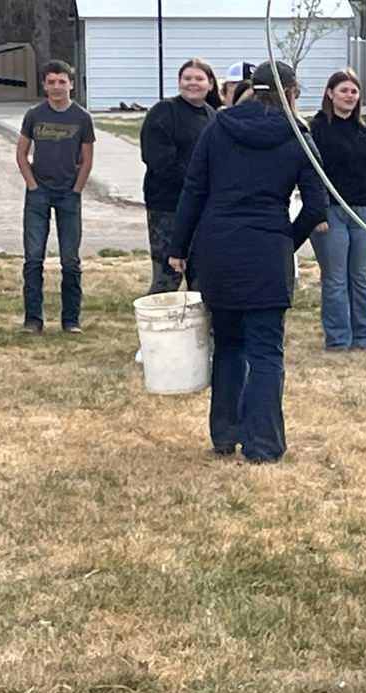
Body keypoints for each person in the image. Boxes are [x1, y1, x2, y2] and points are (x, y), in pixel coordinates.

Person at [168, 61, 329, 462]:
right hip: (266, 251)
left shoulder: (218, 127)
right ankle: (264, 444)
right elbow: (317, 205)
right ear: (292, 91)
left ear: (248, 89)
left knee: (227, 344)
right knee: (266, 350)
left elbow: (194, 189)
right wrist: (284, 241)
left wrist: (178, 247)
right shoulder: (298, 136)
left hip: (216, 248)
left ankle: (225, 433)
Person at [308, 68, 366, 350]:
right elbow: (309, 174)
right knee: (334, 279)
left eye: (354, 91)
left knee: (359, 277)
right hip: (330, 213)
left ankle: (365, 337)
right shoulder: (315, 129)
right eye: (343, 90)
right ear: (330, 93)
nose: (349, 96)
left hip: (363, 212)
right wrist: (316, 213)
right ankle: (338, 339)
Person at [16, 59, 95, 334]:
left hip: (68, 195)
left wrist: (76, 190)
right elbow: (21, 153)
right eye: (51, 82)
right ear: (44, 85)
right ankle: (33, 320)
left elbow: (86, 160)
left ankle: (71, 320)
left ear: (71, 84)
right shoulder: (34, 115)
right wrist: (32, 185)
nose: (57, 87)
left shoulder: (82, 118)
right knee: (33, 258)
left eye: (62, 81)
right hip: (38, 194)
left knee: (70, 261)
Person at [140, 58, 217, 296]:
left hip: (204, 211)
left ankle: (206, 332)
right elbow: (159, 161)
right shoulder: (164, 112)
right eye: (187, 78)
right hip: (168, 207)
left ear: (211, 84)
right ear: (179, 82)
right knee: (167, 279)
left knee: (203, 281)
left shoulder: (213, 117)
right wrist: (197, 185)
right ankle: (160, 329)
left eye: (199, 78)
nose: (193, 83)